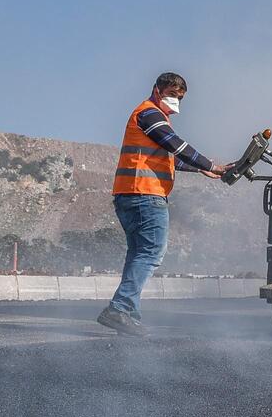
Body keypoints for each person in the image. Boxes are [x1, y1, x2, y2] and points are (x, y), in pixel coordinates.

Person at [97, 73, 231, 336]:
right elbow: (176, 145)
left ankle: (127, 316)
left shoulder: (151, 119)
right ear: (157, 90)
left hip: (130, 195)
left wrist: (201, 170)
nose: (175, 100)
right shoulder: (150, 114)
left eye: (179, 97)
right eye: (171, 94)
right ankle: (119, 308)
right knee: (151, 252)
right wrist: (210, 164)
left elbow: (169, 159)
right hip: (145, 195)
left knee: (138, 253)